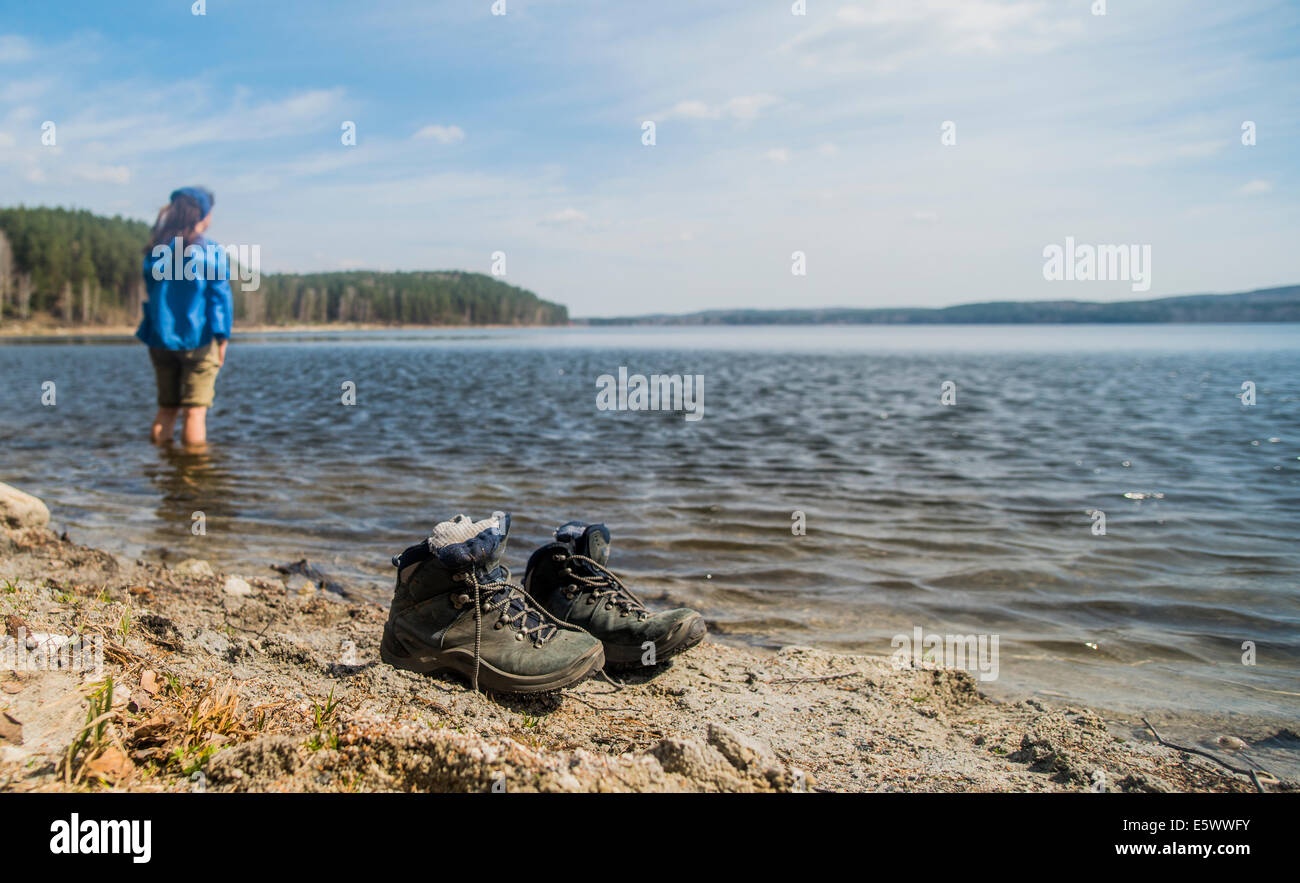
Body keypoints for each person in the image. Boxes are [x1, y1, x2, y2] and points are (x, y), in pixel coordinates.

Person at [136, 187, 232, 446]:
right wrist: (222, 337)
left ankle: (162, 470)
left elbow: (152, 290)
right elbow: (219, 296)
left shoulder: (157, 250)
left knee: (166, 408)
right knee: (195, 411)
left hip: (159, 338)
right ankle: (192, 478)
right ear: (203, 214)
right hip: (198, 339)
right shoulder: (208, 250)